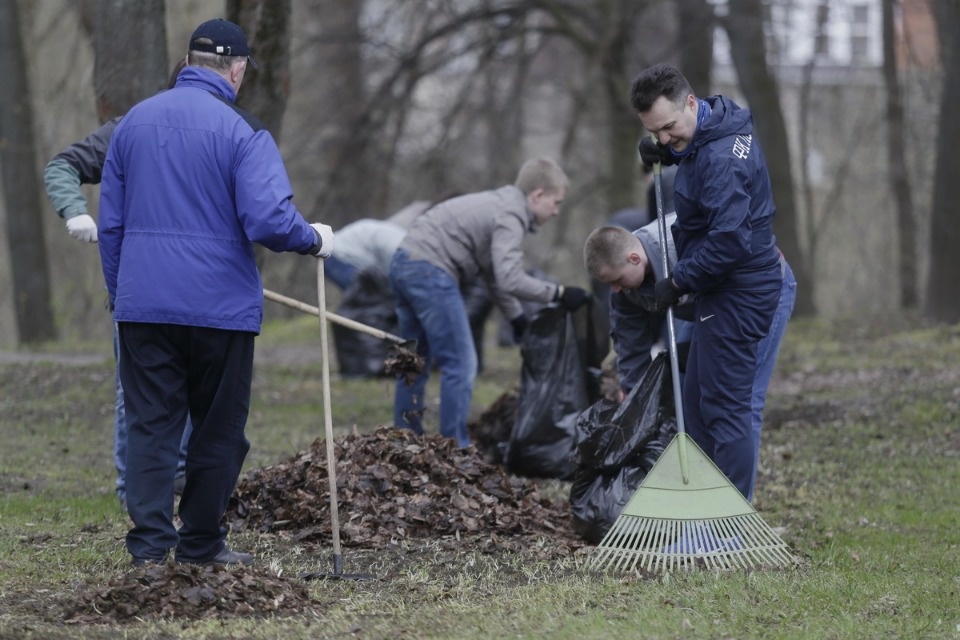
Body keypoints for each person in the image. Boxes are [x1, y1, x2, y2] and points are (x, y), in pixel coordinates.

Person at [98, 18, 333, 566]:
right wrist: (313, 239)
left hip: (144, 308)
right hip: (219, 312)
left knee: (151, 426)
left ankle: (151, 552)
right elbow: (270, 220)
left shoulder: (133, 123)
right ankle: (201, 544)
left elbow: (110, 226)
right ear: (237, 69)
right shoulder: (243, 130)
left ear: (187, 61)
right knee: (219, 430)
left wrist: (123, 293)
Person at [629, 63, 795, 502]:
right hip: (721, 288)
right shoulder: (713, 128)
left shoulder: (723, 159)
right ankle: (705, 511)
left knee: (726, 409)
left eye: (667, 128)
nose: (663, 137)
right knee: (699, 405)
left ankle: (728, 526)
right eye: (655, 132)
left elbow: (729, 240)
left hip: (739, 289)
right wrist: (672, 154)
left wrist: (676, 281)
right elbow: (697, 151)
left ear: (689, 102)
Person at [43, 62, 192, 510]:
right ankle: (136, 492)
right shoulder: (130, 130)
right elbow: (62, 167)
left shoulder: (224, 133)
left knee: (196, 389)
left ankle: (181, 480)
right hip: (138, 288)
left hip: (200, 290)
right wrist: (74, 211)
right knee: (139, 393)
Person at [583, 217, 795, 499]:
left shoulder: (683, 241)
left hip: (758, 293)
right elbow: (630, 345)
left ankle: (734, 508)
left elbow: (735, 255)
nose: (616, 290)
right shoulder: (625, 288)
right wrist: (637, 400)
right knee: (688, 389)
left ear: (634, 258)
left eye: (617, 280)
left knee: (740, 399)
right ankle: (702, 490)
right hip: (704, 306)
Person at [389, 157, 590, 447]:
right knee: (461, 363)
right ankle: (454, 448)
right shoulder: (511, 215)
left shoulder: (499, 205)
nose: (556, 212)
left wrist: (517, 317)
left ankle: (404, 440)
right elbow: (511, 278)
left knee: (413, 362)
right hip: (429, 269)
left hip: (404, 261)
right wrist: (559, 293)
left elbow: (495, 275)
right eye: (556, 203)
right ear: (538, 195)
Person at [323, 218, 408, 290]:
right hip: (340, 256)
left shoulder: (405, 242)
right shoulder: (399, 249)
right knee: (370, 300)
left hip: (341, 251)